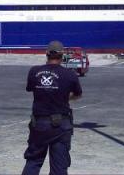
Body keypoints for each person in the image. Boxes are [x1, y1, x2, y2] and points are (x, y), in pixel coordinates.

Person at [22, 41, 82, 175]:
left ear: (46, 54)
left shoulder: (34, 71)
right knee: (59, 166)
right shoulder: (70, 74)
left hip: (39, 124)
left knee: (33, 161)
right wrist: (65, 97)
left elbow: (31, 89)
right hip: (60, 126)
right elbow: (78, 94)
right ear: (62, 55)